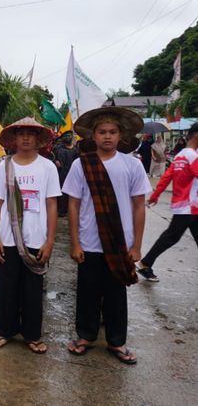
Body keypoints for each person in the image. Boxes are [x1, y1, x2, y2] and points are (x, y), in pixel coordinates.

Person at [62, 107, 150, 365]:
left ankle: (117, 341)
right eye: (102, 132)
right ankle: (86, 336)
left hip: (120, 241)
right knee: (87, 291)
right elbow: (74, 204)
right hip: (89, 240)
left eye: (112, 132)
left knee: (116, 294)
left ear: (121, 136)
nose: (107, 137)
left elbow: (138, 206)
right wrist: (75, 242)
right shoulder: (82, 164)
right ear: (93, 135)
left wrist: (137, 245)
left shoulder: (132, 165)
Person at [0, 117, 60, 355]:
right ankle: (3, 330)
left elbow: (51, 205)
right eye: (21, 134)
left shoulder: (48, 167)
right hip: (8, 238)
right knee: (6, 287)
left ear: (39, 140)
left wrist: (50, 240)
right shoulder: (4, 166)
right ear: (14, 139)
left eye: (31, 134)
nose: (26, 138)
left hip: (36, 239)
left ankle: (32, 334)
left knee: (33, 290)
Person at [138, 122, 198, 282]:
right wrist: (155, 195)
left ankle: (146, 263)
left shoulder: (180, 156)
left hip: (187, 206)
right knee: (171, 236)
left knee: (172, 236)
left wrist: (155, 195)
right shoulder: (193, 156)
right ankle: (145, 263)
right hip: (189, 206)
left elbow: (166, 177)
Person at [52, 131, 79, 217]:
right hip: (61, 174)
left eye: (69, 136)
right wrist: (55, 161)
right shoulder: (58, 149)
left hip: (72, 174)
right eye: (66, 136)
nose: (68, 137)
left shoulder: (76, 151)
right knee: (61, 191)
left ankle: (70, 209)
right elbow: (52, 158)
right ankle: (61, 210)